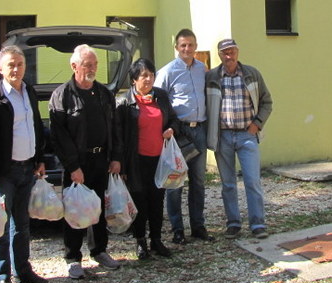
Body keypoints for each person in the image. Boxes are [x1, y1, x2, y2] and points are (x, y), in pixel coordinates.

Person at [0, 45, 48, 283]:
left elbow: (36, 126)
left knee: (23, 225)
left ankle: (24, 270)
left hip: (28, 167)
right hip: (3, 172)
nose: (16, 69)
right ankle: (2, 276)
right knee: (0, 226)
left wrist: (39, 159)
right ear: (0, 69)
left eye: (20, 64)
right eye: (11, 65)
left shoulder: (30, 92)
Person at [49, 44, 122, 279]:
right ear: (74, 66)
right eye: (87, 64)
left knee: (98, 208)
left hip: (101, 160)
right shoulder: (62, 96)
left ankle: (99, 250)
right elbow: (59, 137)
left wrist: (116, 158)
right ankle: (72, 258)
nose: (92, 69)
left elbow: (115, 128)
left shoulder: (104, 93)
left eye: (95, 64)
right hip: (77, 164)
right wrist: (73, 167)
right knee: (74, 210)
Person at [205, 39, 273, 239]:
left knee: (252, 181)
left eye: (232, 51)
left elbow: (267, 101)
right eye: (225, 52)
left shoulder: (252, 74)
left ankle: (258, 224)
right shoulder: (211, 77)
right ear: (219, 55)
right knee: (228, 183)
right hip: (223, 136)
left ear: (237, 52)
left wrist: (257, 123)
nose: (229, 56)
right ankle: (233, 223)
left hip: (247, 134)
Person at [115, 58, 179, 259]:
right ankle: (140, 241)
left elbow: (174, 119)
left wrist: (171, 129)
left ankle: (157, 240)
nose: (149, 79)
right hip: (136, 161)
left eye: (151, 75)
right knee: (139, 201)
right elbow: (119, 137)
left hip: (159, 159)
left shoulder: (160, 96)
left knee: (157, 200)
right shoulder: (125, 102)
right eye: (144, 76)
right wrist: (122, 166)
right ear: (134, 79)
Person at [154, 28, 213, 245]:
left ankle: (198, 226)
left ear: (196, 46)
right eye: (183, 45)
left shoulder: (202, 69)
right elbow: (158, 101)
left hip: (199, 130)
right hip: (178, 133)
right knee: (175, 181)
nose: (187, 49)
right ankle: (177, 229)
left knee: (198, 181)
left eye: (190, 45)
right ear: (177, 48)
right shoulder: (167, 71)